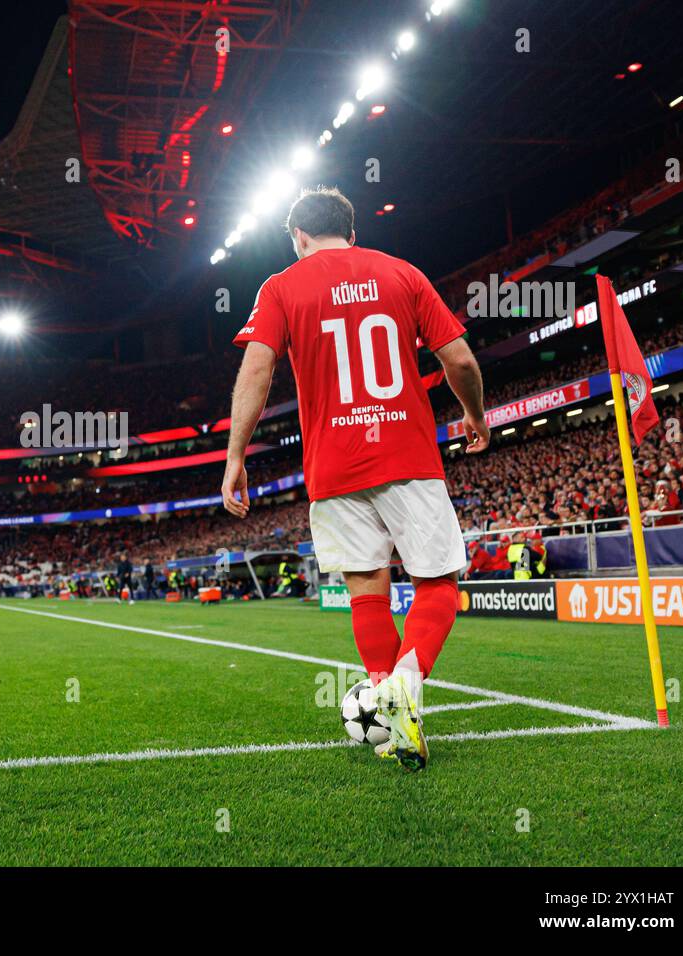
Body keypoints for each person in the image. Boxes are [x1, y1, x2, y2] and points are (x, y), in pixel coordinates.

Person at [221, 186, 490, 772]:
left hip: (333, 467)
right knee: (438, 584)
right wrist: (473, 413)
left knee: (366, 588)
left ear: (298, 237)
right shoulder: (402, 274)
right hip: (408, 457)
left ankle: (392, 704)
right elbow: (461, 361)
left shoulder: (281, 287)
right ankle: (405, 689)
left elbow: (258, 369)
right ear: (352, 229)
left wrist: (236, 454)